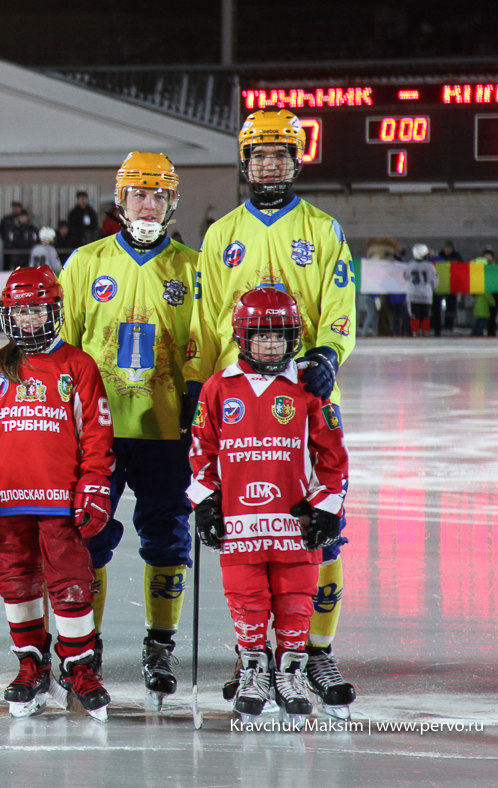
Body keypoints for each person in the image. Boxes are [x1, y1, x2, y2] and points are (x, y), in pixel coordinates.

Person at [184, 109, 358, 716]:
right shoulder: (219, 233)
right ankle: (252, 657)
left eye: (280, 156)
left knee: (321, 538)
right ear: (244, 163)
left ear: (296, 161)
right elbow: (206, 320)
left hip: (304, 402)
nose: (269, 166)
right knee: (248, 533)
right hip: (242, 407)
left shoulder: (323, 228)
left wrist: (330, 354)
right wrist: (199, 384)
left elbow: (340, 300)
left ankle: (315, 652)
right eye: (259, 157)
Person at [58, 152, 198, 710]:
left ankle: (159, 645)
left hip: (170, 431)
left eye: (158, 195)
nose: (147, 204)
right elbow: (61, 349)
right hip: (99, 433)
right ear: (121, 199)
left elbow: (205, 346)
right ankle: (81, 648)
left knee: (167, 540)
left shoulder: (194, 266)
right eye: (139, 194)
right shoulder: (86, 262)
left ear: (171, 203)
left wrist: (198, 404)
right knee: (85, 539)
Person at [0, 266, 116, 720]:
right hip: (9, 503)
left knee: (70, 582)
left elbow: (97, 436)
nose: (29, 319)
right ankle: (31, 662)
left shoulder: (77, 365)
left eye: (37, 310)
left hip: (61, 502)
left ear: (54, 311)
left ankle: (79, 666)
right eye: (20, 311)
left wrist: (94, 485)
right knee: (17, 581)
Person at [188, 287, 348, 720]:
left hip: (293, 525)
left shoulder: (310, 388)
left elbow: (331, 455)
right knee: (247, 600)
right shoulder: (218, 389)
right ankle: (254, 670)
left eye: (280, 336)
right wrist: (206, 503)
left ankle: (291, 672)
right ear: (243, 337)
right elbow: (201, 451)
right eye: (262, 336)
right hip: (241, 521)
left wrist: (327, 507)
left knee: (296, 601)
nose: (272, 345)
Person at [406, 244, 438, 336]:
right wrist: (434, 289)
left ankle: (415, 332)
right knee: (426, 315)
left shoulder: (410, 265)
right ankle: (426, 331)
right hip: (426, 293)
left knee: (414, 315)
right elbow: (435, 280)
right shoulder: (430, 266)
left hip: (413, 293)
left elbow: (405, 276)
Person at [432, 241, 463, 335]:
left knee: (451, 307)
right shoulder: (440, 257)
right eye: (446, 249)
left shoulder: (457, 257)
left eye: (448, 249)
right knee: (436, 307)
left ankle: (449, 325)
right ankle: (436, 326)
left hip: (452, 286)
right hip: (441, 286)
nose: (447, 251)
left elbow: (461, 269)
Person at [471, 246, 496, 337]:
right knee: (482, 317)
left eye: (489, 255)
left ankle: (484, 332)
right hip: (485, 296)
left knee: (484, 317)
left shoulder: (492, 267)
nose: (487, 257)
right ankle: (479, 333)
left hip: (488, 294)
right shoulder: (482, 268)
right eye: (486, 255)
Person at [0, 202, 25, 270]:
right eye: (14, 208)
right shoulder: (7, 219)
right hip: (8, 246)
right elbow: (0, 228)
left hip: (18, 248)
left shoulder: (22, 219)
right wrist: (5, 239)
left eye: (17, 208)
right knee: (6, 265)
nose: (15, 210)